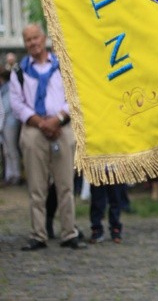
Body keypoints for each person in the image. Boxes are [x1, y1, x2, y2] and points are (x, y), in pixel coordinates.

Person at [10, 24, 86, 250]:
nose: (32, 43)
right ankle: (38, 234)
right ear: (25, 44)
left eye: (35, 38)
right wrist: (41, 123)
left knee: (65, 185)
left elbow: (73, 96)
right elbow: (17, 104)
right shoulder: (20, 72)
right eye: (28, 40)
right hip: (34, 130)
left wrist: (58, 119)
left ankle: (69, 233)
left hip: (61, 127)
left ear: (43, 39)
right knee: (37, 186)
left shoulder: (62, 66)